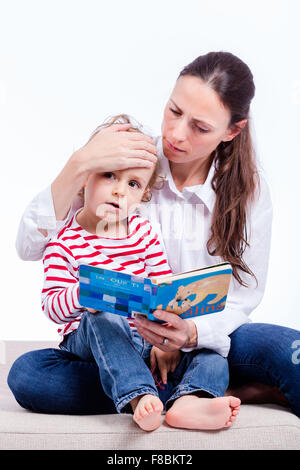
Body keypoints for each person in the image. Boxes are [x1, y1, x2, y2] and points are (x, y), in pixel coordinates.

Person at [8, 52, 300, 427]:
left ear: (231, 131)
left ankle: (180, 390)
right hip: (120, 339)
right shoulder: (127, 166)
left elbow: (243, 297)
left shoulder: (250, 191)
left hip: (200, 337)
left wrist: (187, 334)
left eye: (200, 127)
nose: (177, 134)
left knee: (288, 351)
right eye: (174, 111)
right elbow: (30, 247)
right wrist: (80, 163)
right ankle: (189, 392)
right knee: (30, 375)